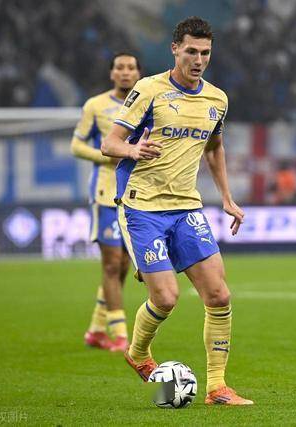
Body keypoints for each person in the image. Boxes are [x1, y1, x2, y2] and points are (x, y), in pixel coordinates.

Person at [101, 16, 252, 405]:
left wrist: (227, 197)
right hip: (142, 207)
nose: (198, 60)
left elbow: (214, 147)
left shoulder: (217, 99)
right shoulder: (149, 90)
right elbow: (110, 143)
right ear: (175, 49)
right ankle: (138, 353)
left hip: (186, 206)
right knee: (166, 298)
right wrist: (133, 149)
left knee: (219, 295)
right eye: (191, 51)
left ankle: (217, 387)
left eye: (205, 53)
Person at [71, 52, 141, 352]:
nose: (125, 72)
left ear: (138, 73)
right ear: (112, 73)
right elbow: (76, 145)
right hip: (105, 194)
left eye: (131, 67)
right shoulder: (95, 105)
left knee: (123, 265)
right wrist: (108, 156)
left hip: (135, 194)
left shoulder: (146, 103)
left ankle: (97, 330)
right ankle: (120, 334)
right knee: (112, 264)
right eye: (120, 67)